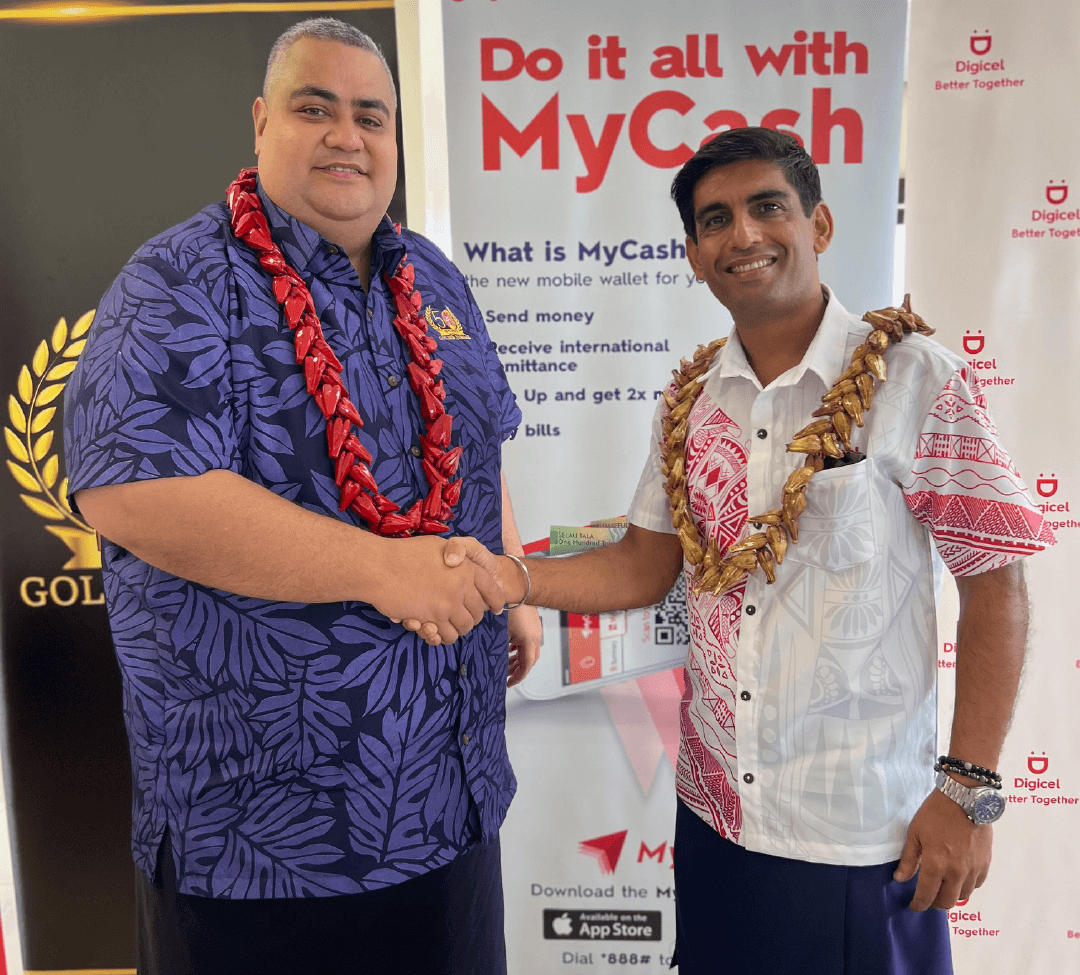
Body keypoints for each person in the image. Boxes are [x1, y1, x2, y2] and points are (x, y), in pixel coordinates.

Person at [429, 127, 1054, 973]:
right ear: (694, 254)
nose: (744, 235)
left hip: (862, 836)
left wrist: (969, 789)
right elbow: (647, 565)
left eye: (768, 207)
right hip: (717, 823)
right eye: (715, 219)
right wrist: (511, 577)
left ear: (820, 225)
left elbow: (996, 584)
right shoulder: (689, 402)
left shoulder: (914, 379)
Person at [62, 17, 540, 975]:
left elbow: (480, 437)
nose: (347, 136)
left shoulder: (434, 278)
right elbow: (132, 488)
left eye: (372, 115)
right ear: (259, 121)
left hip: (450, 807)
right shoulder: (180, 279)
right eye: (314, 108)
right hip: (260, 842)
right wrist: (383, 570)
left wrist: (509, 579)